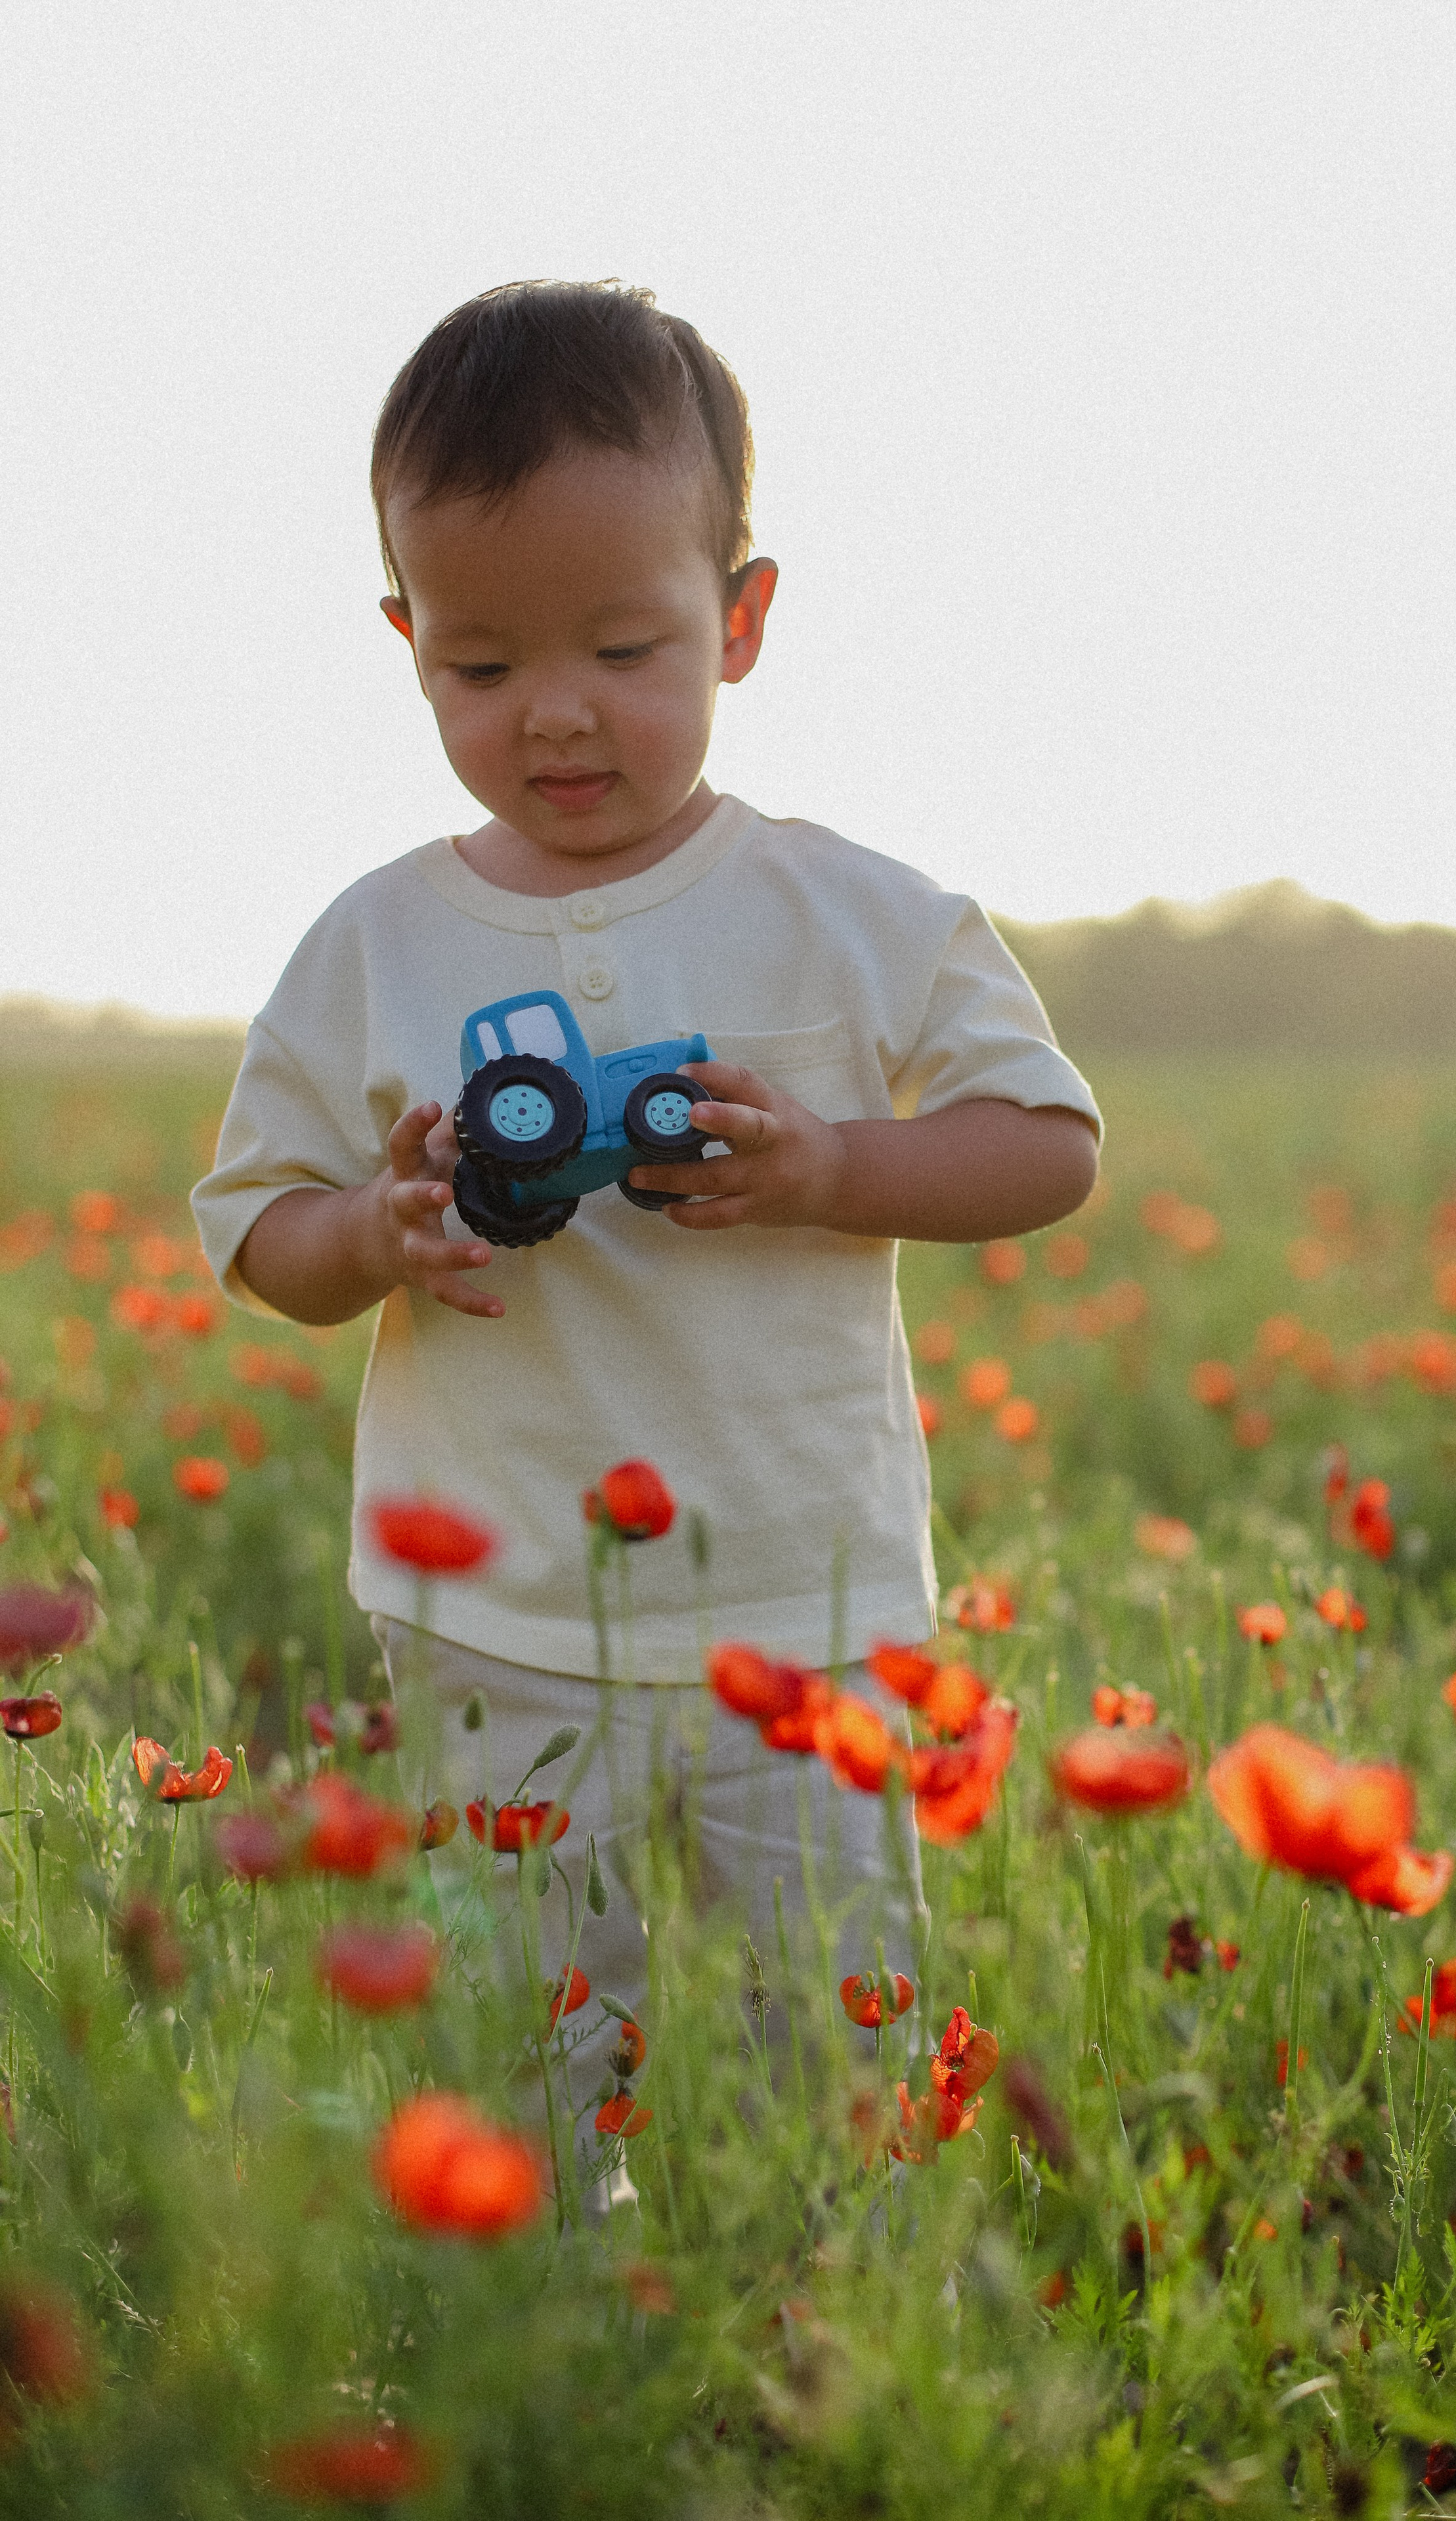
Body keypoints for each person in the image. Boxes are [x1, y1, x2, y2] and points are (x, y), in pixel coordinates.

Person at [192, 281, 1100, 2086]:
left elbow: (1049, 1144)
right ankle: (559, 2326)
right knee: (524, 2060)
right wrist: (375, 1229)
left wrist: (833, 1163)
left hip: (807, 1602)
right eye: (483, 666)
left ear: (741, 618)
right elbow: (256, 1233)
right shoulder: (373, 945)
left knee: (833, 2051)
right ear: (408, 645)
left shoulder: (855, 913)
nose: (559, 718)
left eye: (625, 651)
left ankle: (818, 2349)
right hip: (497, 1616)